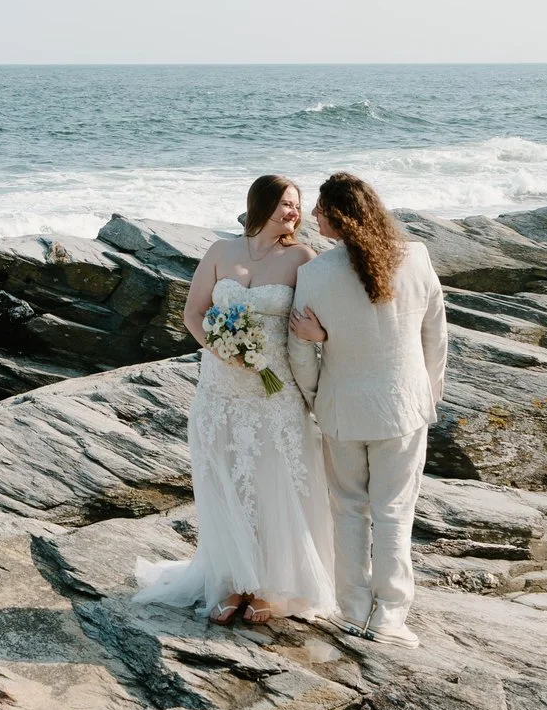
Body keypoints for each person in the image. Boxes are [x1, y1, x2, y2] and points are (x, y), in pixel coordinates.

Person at [133, 175, 336, 626]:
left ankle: (270, 586)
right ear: (260, 204)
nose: (293, 213)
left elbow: (321, 316)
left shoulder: (302, 258)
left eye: (297, 206)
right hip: (219, 390)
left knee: (272, 482)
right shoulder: (220, 252)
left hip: (274, 391)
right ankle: (231, 580)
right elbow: (193, 313)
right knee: (224, 478)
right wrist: (224, 350)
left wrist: (320, 335)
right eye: (285, 203)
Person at [287, 172, 446, 645]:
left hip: (342, 409)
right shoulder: (415, 257)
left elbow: (299, 348)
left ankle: (354, 610)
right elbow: (435, 334)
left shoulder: (314, 274)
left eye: (320, 209)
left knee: (349, 510)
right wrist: (429, 391)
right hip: (404, 406)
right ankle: (391, 618)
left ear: (340, 216)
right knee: (395, 511)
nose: (314, 216)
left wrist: (317, 396)